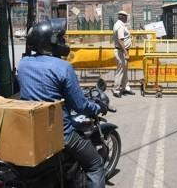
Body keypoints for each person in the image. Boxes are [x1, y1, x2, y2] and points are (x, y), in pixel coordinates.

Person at [17, 19, 107, 188]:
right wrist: (97, 106)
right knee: (95, 165)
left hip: (33, 130)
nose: (64, 42)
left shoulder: (23, 64)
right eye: (60, 38)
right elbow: (79, 106)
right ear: (49, 42)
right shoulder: (63, 67)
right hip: (61, 133)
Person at [112, 10, 134, 98]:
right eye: (126, 17)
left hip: (122, 51)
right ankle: (116, 89)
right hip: (121, 51)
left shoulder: (119, 25)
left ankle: (125, 87)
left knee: (124, 71)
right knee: (120, 71)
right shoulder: (120, 26)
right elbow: (121, 40)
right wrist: (126, 53)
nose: (127, 18)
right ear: (123, 17)